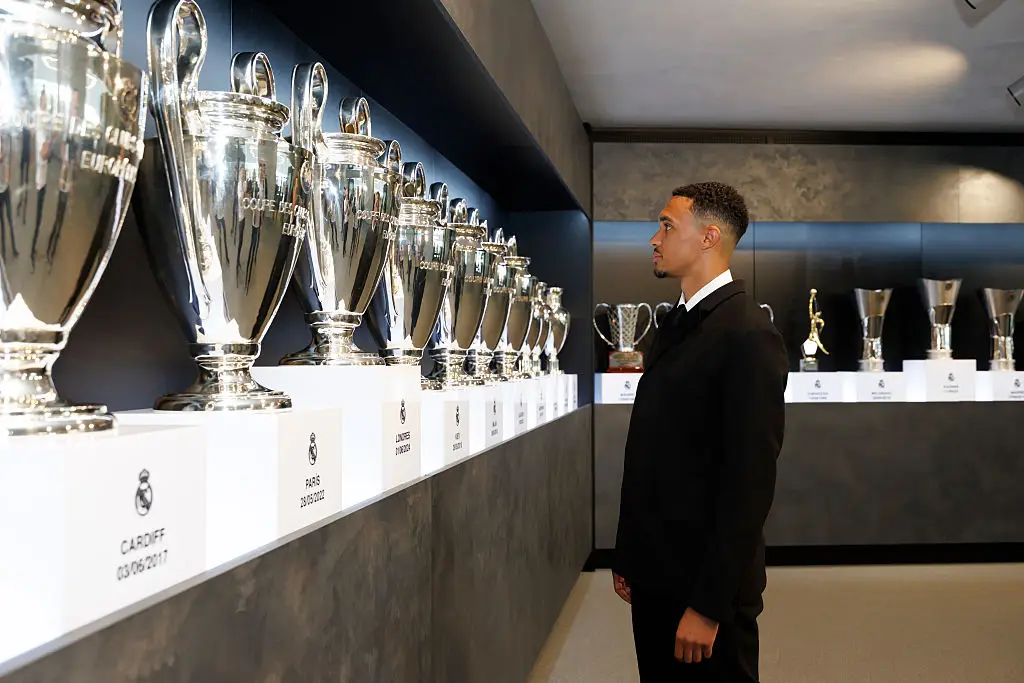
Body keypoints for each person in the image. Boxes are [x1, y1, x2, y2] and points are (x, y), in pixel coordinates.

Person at [612, 182, 789, 682]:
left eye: (667, 225)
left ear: (709, 237)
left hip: (703, 591)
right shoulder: (679, 322)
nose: (654, 237)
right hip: (658, 576)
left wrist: (709, 606)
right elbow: (653, 451)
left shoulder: (749, 335)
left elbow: (748, 486)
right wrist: (631, 553)